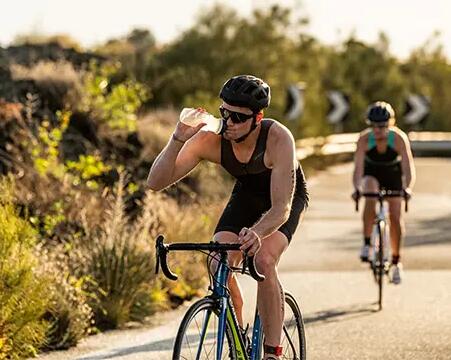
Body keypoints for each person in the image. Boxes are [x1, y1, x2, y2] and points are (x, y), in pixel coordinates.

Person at [147, 75, 308, 360]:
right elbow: (156, 182)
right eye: (224, 113)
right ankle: (236, 333)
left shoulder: (278, 138)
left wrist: (258, 232)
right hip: (247, 193)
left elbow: (281, 208)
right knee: (217, 260)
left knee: (263, 260)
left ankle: (273, 351)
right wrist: (177, 139)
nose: (229, 122)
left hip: (283, 198)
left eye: (238, 117)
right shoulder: (210, 138)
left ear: (258, 117)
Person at [352, 101, 415, 284]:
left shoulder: (398, 139)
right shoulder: (364, 139)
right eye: (373, 125)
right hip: (372, 175)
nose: (377, 130)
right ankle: (366, 244)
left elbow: (408, 167)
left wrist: (408, 187)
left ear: (390, 124)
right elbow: (358, 170)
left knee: (395, 216)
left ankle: (396, 261)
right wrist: (357, 188)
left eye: (382, 126)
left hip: (393, 176)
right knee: (369, 190)